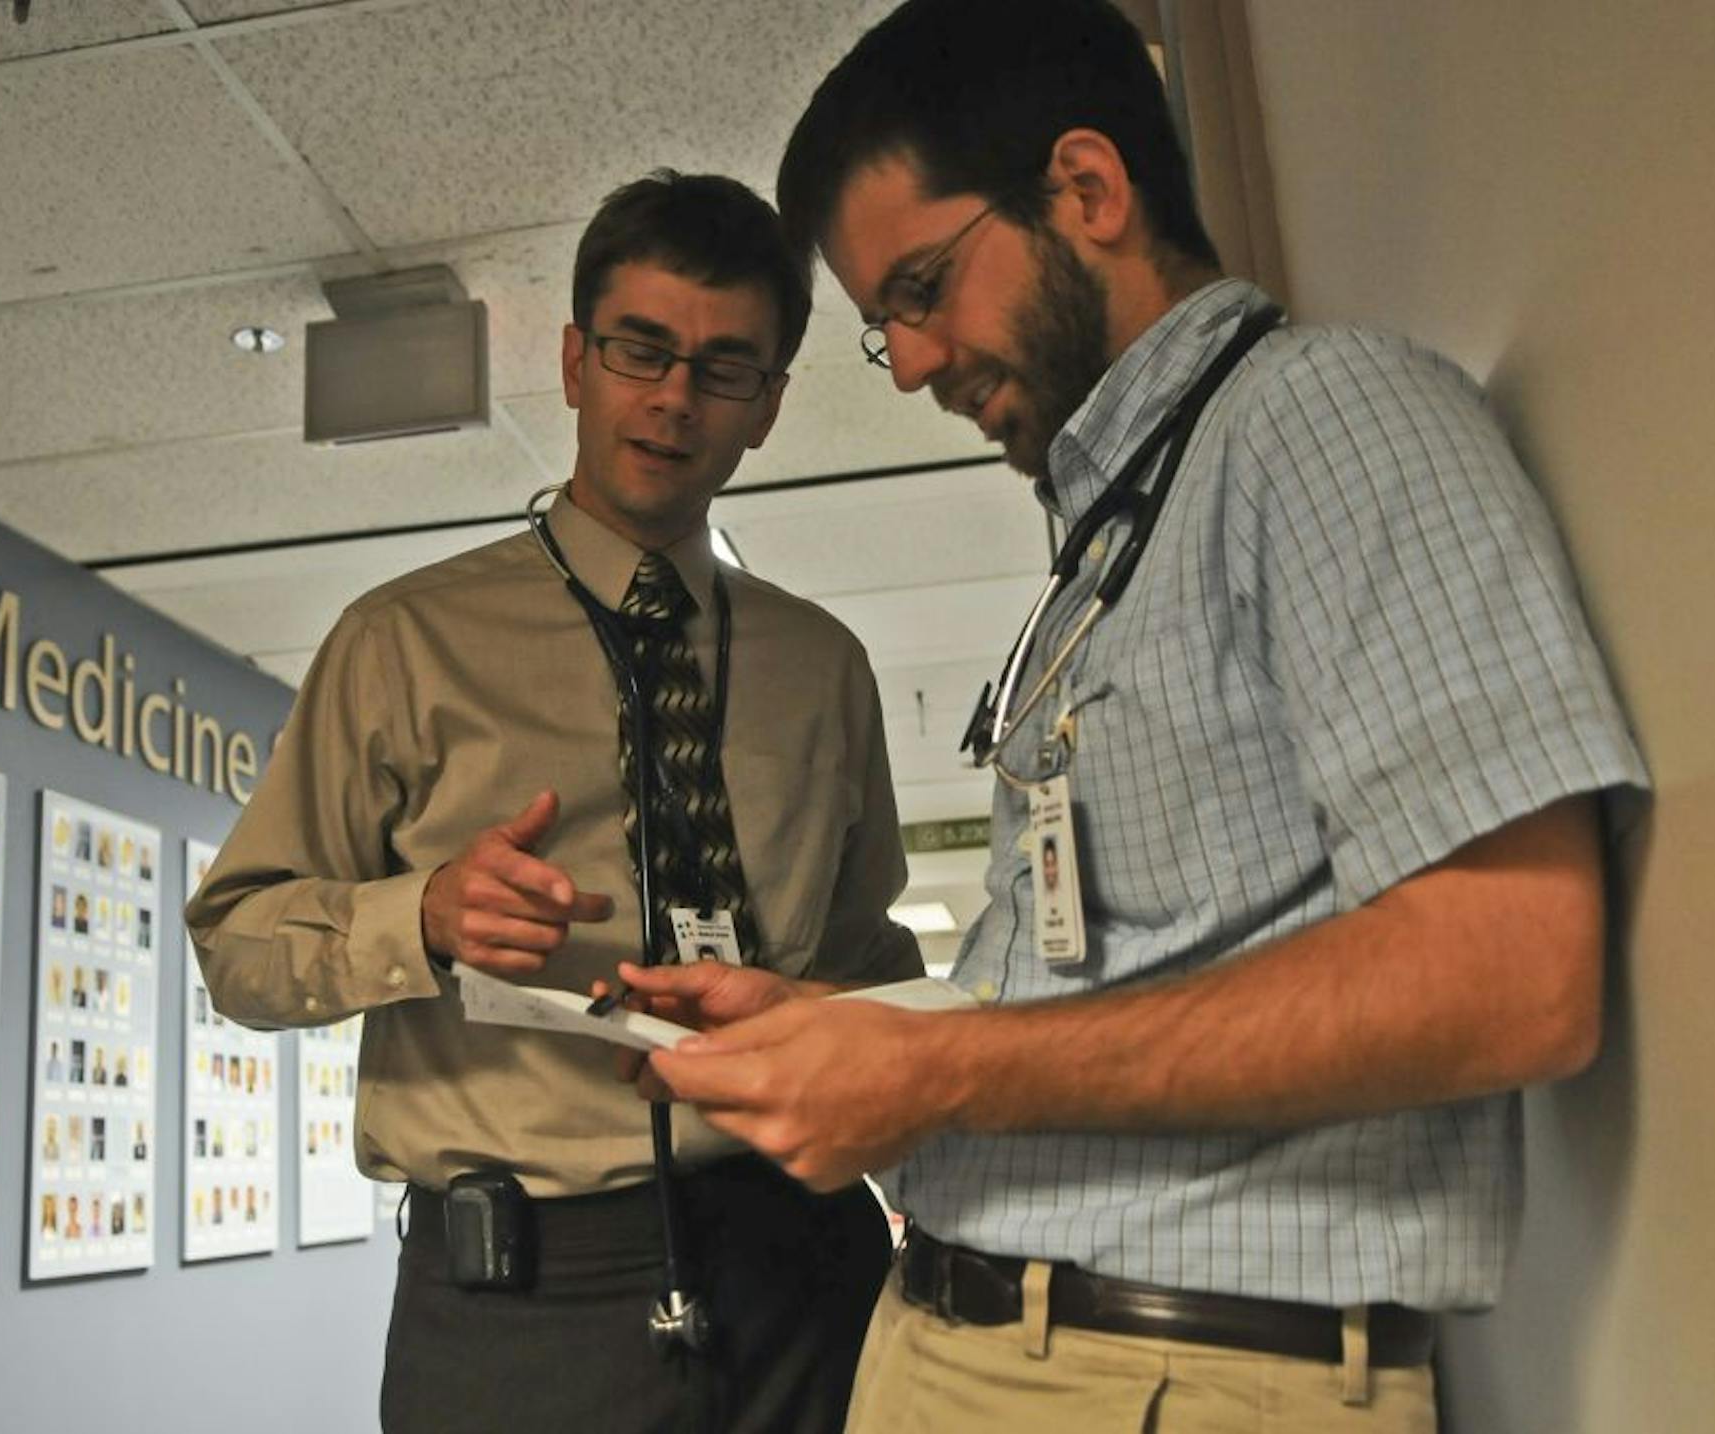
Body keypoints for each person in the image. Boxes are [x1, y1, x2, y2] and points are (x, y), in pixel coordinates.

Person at [620, 6, 1652, 1431]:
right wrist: (837, 1026)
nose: (911, 363)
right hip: (985, 1341)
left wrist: (935, 1068)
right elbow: (1124, 971)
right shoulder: (1119, 535)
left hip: (1159, 1375)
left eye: (922, 287)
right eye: (883, 328)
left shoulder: (1326, 417)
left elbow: (1512, 969)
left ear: (1090, 191)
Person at [187, 170, 921, 1434]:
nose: (675, 397)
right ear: (577, 363)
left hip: (809, 1269)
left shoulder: (823, 668)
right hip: (524, 1308)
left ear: (770, 405)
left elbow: (868, 960)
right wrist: (423, 914)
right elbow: (238, 947)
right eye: (642, 349)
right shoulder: (401, 643)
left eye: (724, 366)